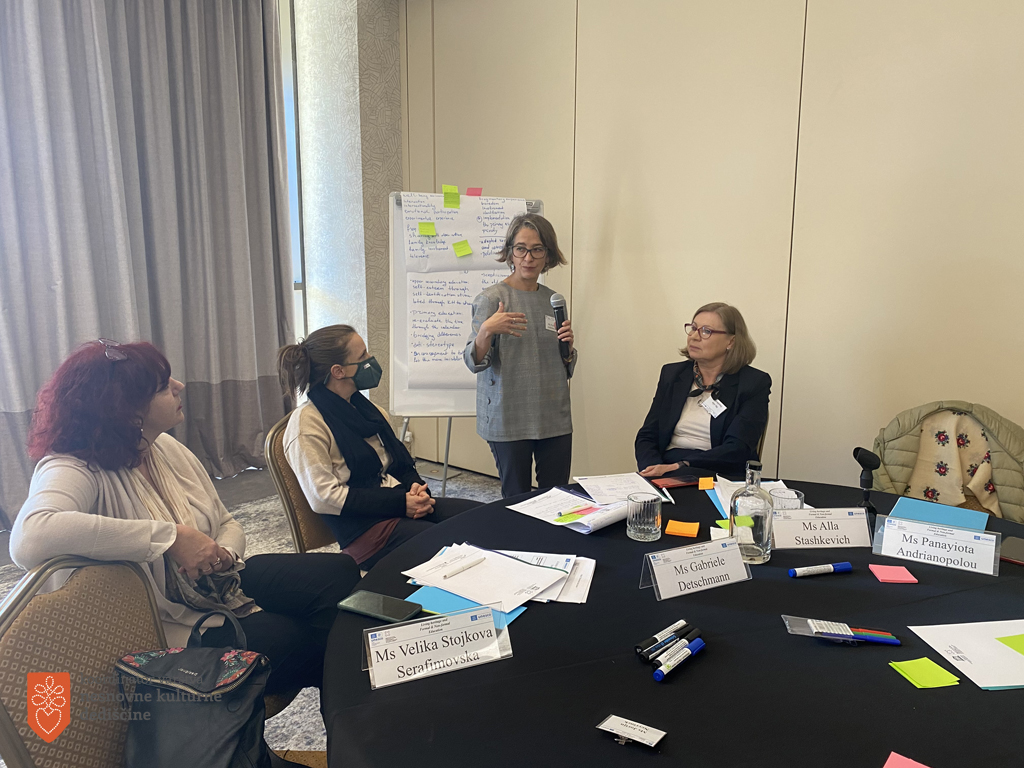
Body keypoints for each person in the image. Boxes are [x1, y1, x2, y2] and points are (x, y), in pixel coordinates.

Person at [11, 340, 360, 703]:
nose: (179, 386)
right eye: (163, 387)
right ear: (125, 408)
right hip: (161, 623)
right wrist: (170, 537)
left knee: (338, 572)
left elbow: (226, 521)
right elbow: (29, 537)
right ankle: (343, 697)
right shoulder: (72, 465)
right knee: (296, 638)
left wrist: (222, 554)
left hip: (213, 585)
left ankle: (343, 690)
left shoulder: (163, 447)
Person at [277, 326, 480, 570]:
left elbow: (398, 463)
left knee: (485, 519)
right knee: (462, 551)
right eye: (362, 355)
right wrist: (400, 503)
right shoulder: (307, 424)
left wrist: (414, 486)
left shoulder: (368, 410)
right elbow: (325, 497)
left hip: (397, 505)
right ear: (338, 371)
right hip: (366, 533)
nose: (370, 360)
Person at [464, 213, 577, 498]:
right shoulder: (491, 299)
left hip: (553, 414)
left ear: (548, 254)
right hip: (509, 416)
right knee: (517, 500)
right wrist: (486, 331)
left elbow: (564, 364)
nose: (528, 258)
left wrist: (568, 348)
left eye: (537, 249)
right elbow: (473, 361)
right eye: (521, 249)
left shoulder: (553, 300)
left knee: (557, 497)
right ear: (510, 252)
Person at [635, 302, 770, 478]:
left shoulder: (753, 383)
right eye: (693, 328)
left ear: (731, 341)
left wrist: (681, 466)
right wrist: (653, 470)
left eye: (706, 331)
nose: (694, 337)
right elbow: (647, 435)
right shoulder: (673, 374)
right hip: (666, 468)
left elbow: (737, 448)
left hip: (717, 472)